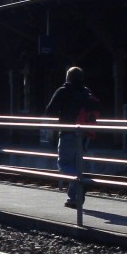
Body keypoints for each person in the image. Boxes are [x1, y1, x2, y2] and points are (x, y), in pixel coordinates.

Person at [45, 67, 99, 208]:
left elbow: (49, 110)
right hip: (84, 135)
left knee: (63, 165)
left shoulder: (64, 90)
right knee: (75, 166)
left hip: (68, 133)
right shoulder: (86, 92)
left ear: (68, 77)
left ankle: (82, 181)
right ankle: (73, 199)